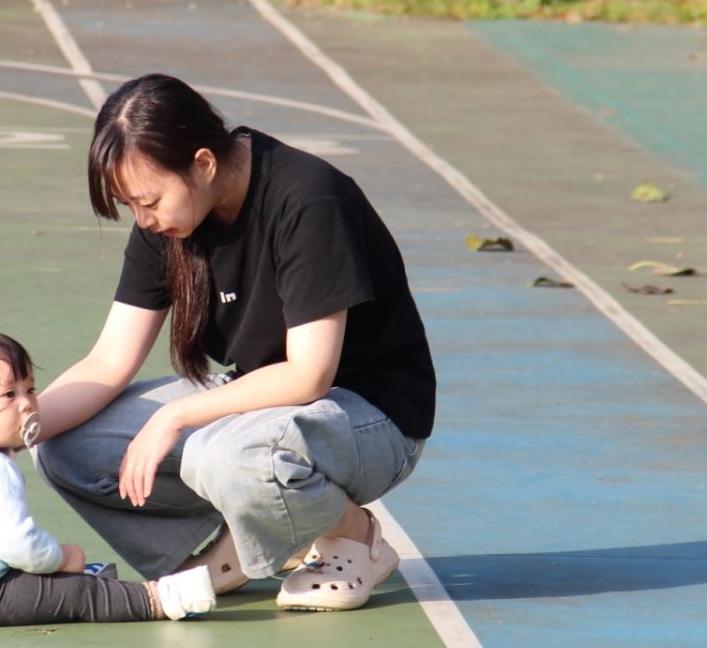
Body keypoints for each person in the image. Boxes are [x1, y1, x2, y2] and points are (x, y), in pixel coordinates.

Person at [33, 74, 435, 612]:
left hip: (370, 414)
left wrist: (173, 416)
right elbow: (108, 361)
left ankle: (353, 535)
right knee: (67, 447)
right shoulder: (167, 223)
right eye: (131, 206)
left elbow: (309, 375)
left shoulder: (308, 198)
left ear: (203, 164)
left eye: (150, 201)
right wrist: (10, 428)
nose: (144, 220)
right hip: (262, 403)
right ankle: (252, 537)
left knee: (224, 454)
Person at [0, 328, 217, 627]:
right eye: (9, 395)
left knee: (47, 585)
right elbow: (17, 545)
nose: (27, 404)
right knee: (79, 594)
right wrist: (60, 557)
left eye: (30, 389)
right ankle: (159, 598)